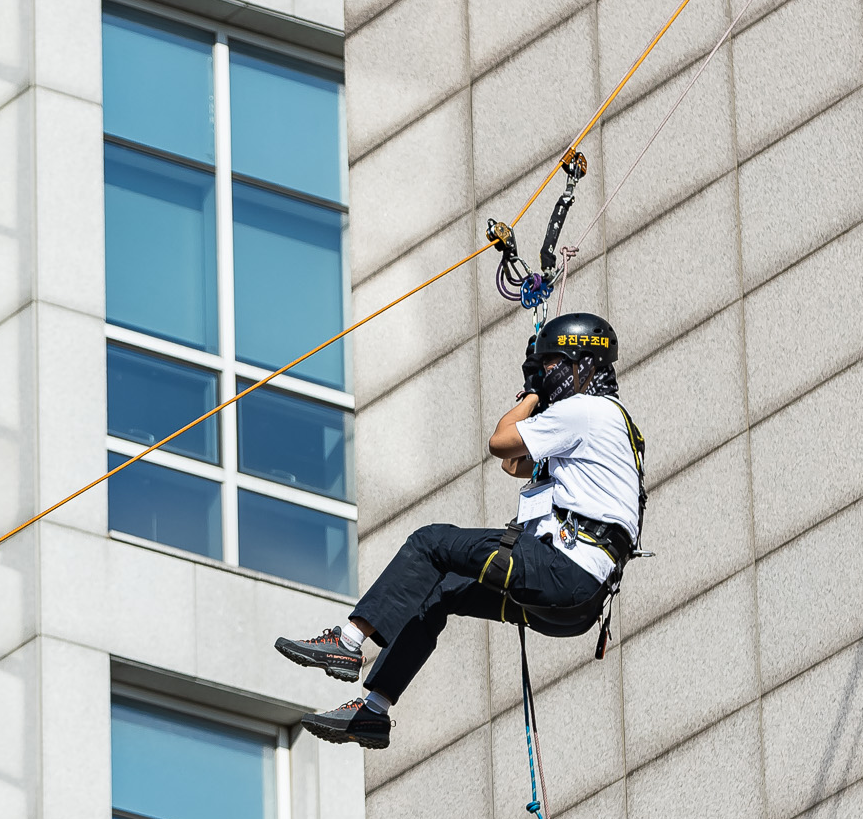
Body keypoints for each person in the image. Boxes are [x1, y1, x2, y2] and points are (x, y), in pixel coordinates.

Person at [273, 313, 645, 749]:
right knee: (442, 590)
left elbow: (499, 444)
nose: (546, 375)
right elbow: (516, 465)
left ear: (580, 364)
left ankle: (348, 640)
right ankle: (373, 711)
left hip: (564, 569)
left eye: (551, 366)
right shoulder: (609, 423)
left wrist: (529, 394)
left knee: (430, 543)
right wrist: (538, 398)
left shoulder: (585, 411)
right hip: (578, 604)